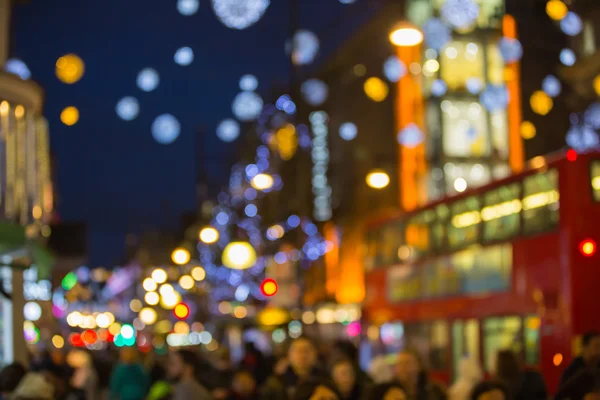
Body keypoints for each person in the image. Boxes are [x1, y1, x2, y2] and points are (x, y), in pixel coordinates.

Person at [261, 336, 327, 400]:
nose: (302, 355)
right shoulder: (275, 384)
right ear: (288, 355)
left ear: (315, 353)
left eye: (307, 350)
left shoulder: (326, 381)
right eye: (297, 350)